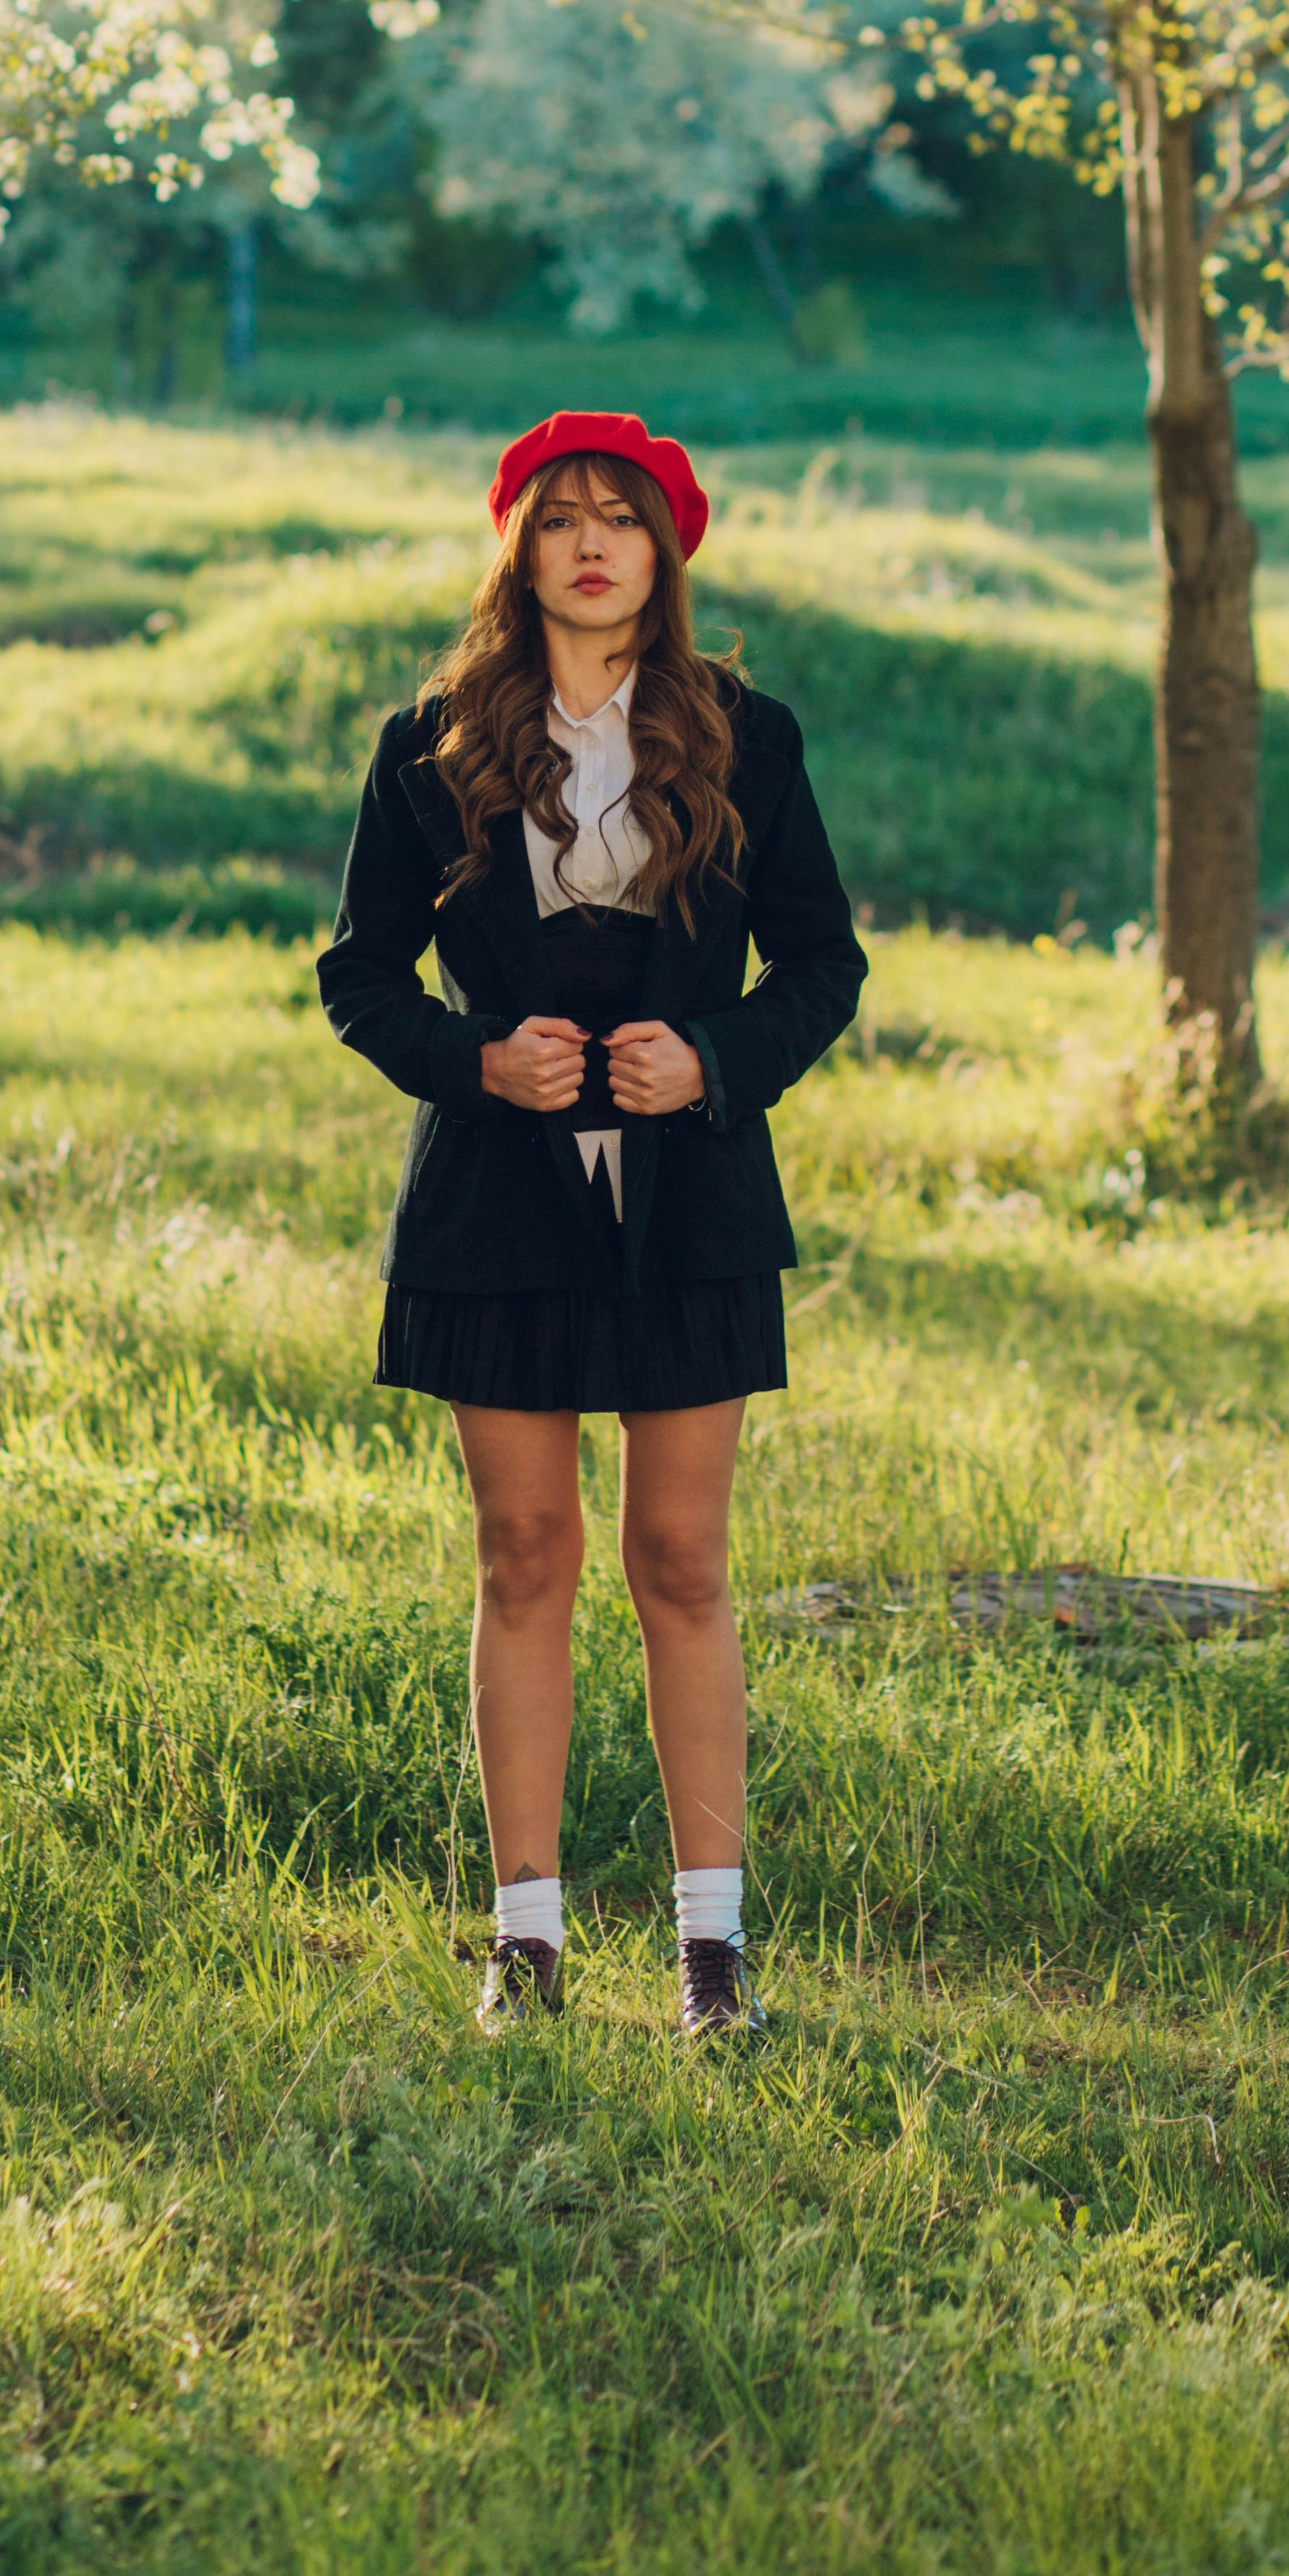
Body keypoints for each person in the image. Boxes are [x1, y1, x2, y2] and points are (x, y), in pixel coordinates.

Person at [318, 407, 866, 2041]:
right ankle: (529, 1947)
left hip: (690, 1198)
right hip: (498, 1201)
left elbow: (823, 969)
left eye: (624, 516)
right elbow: (357, 975)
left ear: (667, 548)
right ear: (520, 547)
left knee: (683, 1562)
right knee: (524, 1554)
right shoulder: (431, 742)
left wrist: (713, 1060)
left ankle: (714, 1957)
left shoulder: (746, 738)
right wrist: (474, 1060)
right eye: (560, 516)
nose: (593, 542)